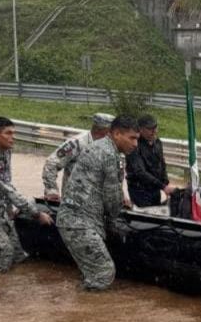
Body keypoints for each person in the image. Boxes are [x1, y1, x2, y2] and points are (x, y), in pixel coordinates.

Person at [57, 116, 140, 290]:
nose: (135, 144)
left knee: (92, 273)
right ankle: (86, 313)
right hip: (79, 222)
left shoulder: (103, 148)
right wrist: (116, 221)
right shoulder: (108, 153)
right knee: (104, 272)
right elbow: (112, 198)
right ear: (117, 134)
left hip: (79, 220)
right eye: (132, 138)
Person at [0, 117, 53, 272]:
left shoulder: (6, 152)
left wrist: (9, 210)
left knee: (19, 257)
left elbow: (7, 184)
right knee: (5, 256)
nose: (13, 137)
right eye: (8, 133)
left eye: (14, 133)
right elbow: (7, 188)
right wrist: (36, 214)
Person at [42, 113, 114, 201]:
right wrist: (51, 190)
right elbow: (52, 163)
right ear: (103, 130)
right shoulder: (77, 143)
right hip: (74, 202)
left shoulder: (109, 146)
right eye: (112, 130)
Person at [125, 114, 173, 207]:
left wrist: (165, 183)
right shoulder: (134, 145)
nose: (154, 131)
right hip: (140, 191)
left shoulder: (158, 143)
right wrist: (162, 186)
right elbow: (140, 172)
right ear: (141, 129)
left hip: (155, 189)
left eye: (155, 127)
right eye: (150, 128)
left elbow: (162, 164)